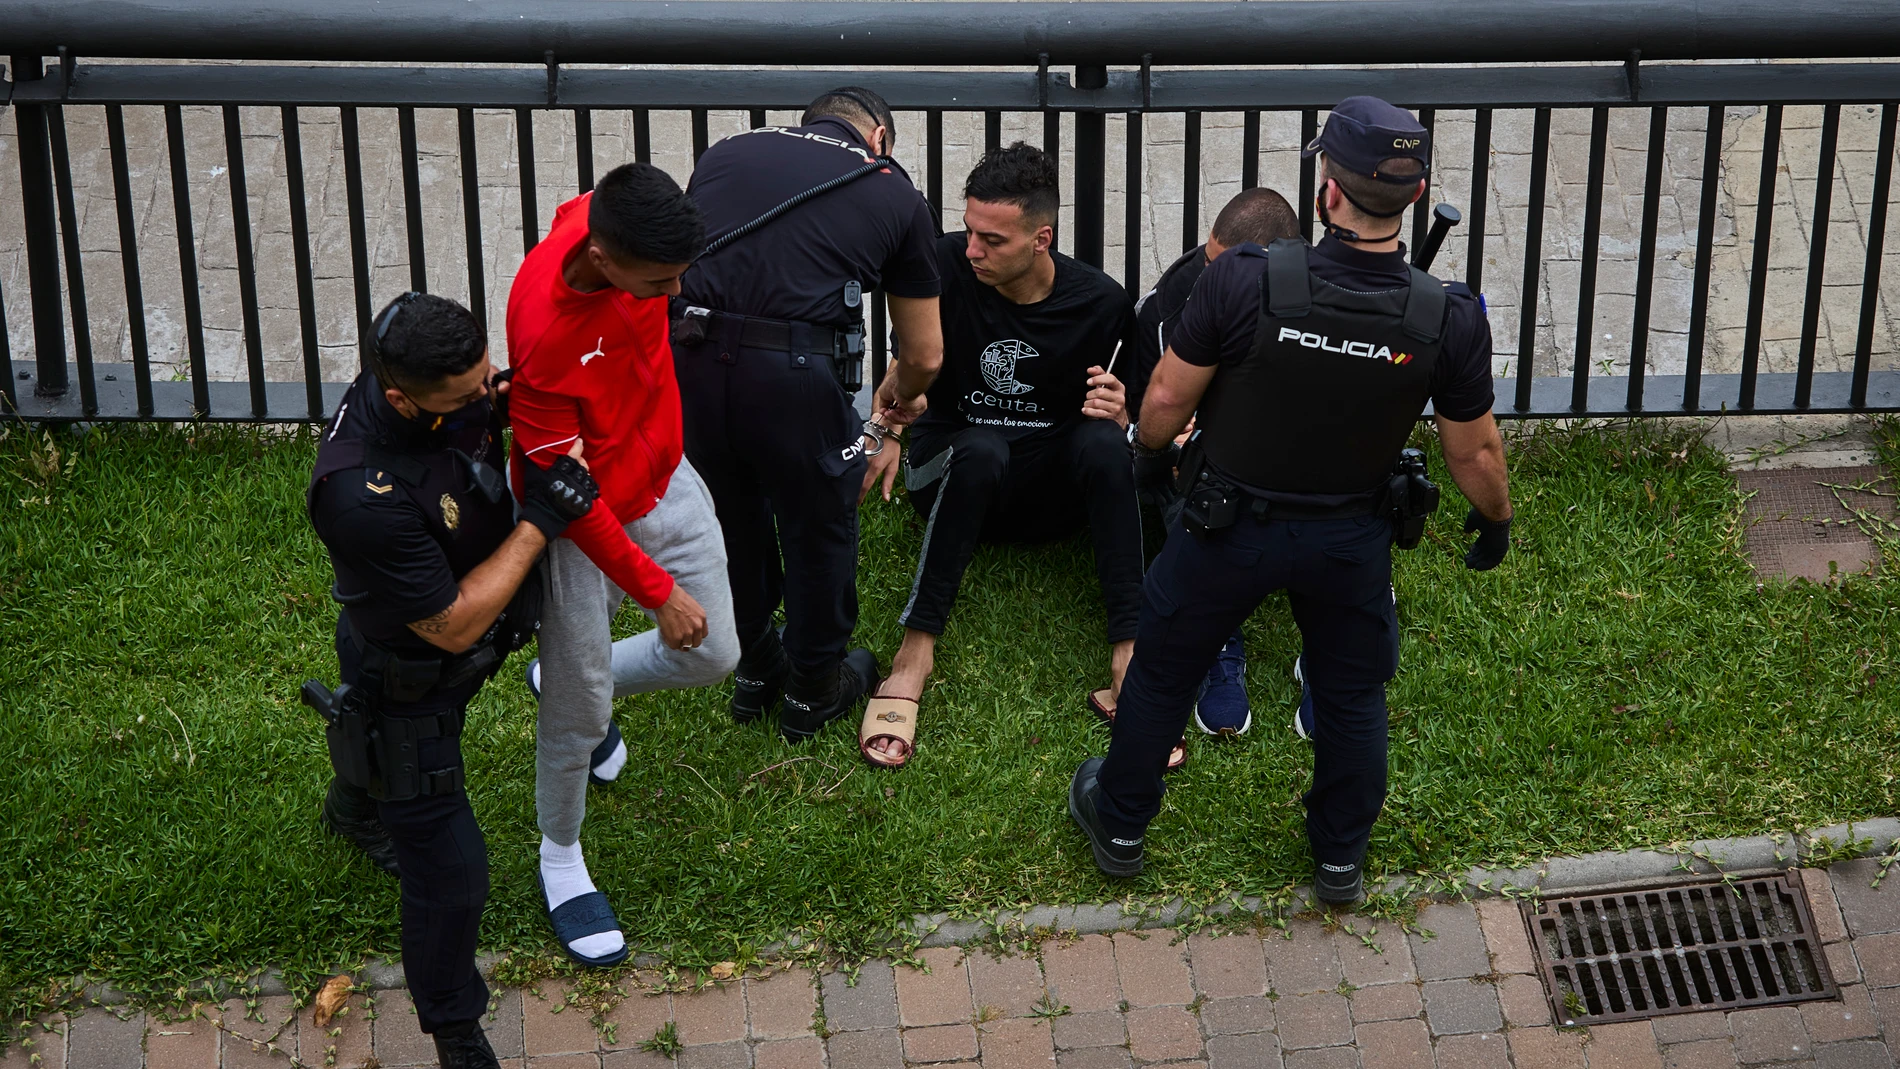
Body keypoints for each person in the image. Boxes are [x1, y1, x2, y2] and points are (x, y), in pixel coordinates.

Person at [1067, 97, 1515, 904]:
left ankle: (1121, 822)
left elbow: (1164, 397)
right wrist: (1496, 518)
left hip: (1225, 525)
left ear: (1325, 192)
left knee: (1164, 671)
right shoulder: (1444, 315)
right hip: (1350, 537)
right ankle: (1340, 857)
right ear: (1416, 198)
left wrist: (1146, 452)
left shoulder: (1242, 279)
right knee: (1350, 693)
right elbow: (1474, 450)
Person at [305, 292, 599, 1069]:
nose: (485, 394)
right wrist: (542, 519)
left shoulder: (431, 388)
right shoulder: (358, 494)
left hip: (438, 648)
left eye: (485, 376)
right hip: (415, 673)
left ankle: (350, 808)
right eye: (465, 393)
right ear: (401, 397)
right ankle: (458, 1037)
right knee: (453, 876)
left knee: (367, 746)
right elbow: (456, 622)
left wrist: (492, 398)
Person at [507, 163, 741, 967]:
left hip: (665, 479)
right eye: (660, 282)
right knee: (578, 711)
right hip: (582, 524)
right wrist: (657, 590)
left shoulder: (603, 222)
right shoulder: (543, 337)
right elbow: (567, 499)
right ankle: (561, 856)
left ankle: (575, 677)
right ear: (604, 260)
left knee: (714, 653)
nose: (676, 296)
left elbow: (583, 201)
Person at [858, 142, 1148, 769]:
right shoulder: (941, 265)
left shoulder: (1103, 303)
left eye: (992, 240)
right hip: (957, 472)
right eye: (969, 231)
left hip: (1050, 496)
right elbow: (908, 362)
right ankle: (914, 653)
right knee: (983, 448)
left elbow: (1146, 417)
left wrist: (1124, 413)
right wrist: (884, 427)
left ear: (1041, 239)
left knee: (1101, 443)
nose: (972, 250)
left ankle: (1130, 649)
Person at [674, 86, 944, 742]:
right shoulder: (892, 190)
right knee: (818, 517)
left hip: (686, 355)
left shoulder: (725, 152)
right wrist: (898, 395)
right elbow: (927, 353)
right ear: (878, 136)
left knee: (727, 512)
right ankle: (813, 688)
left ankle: (755, 665)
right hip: (791, 371)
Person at [1126, 187, 1303, 738]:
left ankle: (1330, 641)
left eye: (1228, 268)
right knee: (1193, 476)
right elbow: (1147, 417)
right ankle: (1219, 641)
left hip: (1295, 453)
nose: (1211, 280)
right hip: (1207, 461)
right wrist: (1164, 431)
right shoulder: (1169, 307)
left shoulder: (1325, 297)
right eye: (1209, 261)